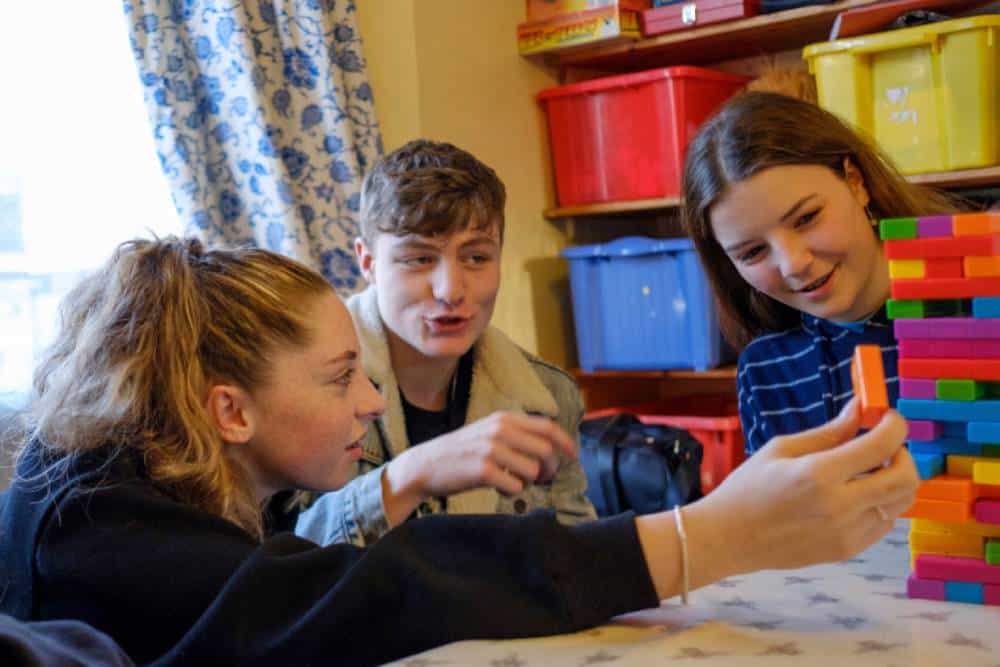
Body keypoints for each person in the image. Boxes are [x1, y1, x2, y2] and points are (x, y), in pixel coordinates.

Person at [0, 237, 917, 666]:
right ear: (228, 409)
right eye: (337, 380)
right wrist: (707, 536)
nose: (367, 398)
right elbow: (376, 587)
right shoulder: (94, 520)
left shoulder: (156, 466)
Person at [295, 139, 595, 547]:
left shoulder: (547, 396)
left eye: (476, 258)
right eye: (418, 259)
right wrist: (410, 476)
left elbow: (575, 557)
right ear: (368, 263)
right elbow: (280, 568)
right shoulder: (301, 385)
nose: (450, 291)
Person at [682, 91, 963, 455]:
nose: (793, 263)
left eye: (806, 218)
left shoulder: (974, 311)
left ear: (856, 181)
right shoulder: (765, 370)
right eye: (752, 252)